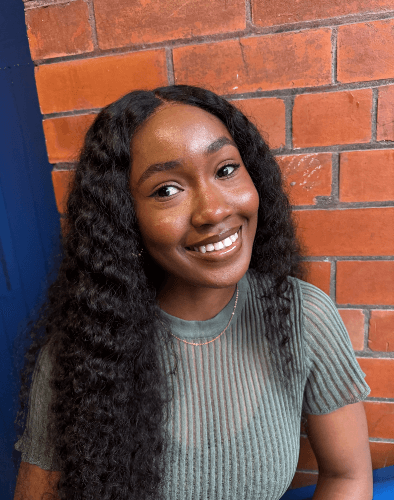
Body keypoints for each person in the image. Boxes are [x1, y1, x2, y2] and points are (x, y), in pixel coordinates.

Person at [13, 85, 373, 500]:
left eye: (225, 170)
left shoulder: (301, 316)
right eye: (167, 190)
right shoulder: (82, 355)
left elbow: (347, 476)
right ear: (126, 218)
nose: (214, 210)